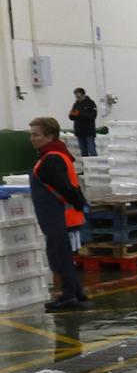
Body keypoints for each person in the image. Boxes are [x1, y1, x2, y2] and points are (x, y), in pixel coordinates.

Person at [26, 116, 88, 311]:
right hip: (60, 215)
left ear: (50, 136)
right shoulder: (56, 154)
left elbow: (65, 188)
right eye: (31, 135)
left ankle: (69, 295)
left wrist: (79, 204)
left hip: (58, 216)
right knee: (63, 255)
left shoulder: (51, 158)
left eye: (36, 135)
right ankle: (76, 292)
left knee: (59, 256)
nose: (32, 139)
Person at [67, 88, 99, 157]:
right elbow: (71, 117)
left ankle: (94, 165)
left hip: (89, 131)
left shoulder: (90, 103)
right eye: (76, 97)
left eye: (79, 97)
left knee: (92, 150)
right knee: (83, 152)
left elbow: (92, 116)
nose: (77, 98)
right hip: (79, 131)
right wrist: (73, 114)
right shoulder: (76, 104)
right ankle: (86, 166)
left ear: (83, 95)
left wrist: (80, 114)